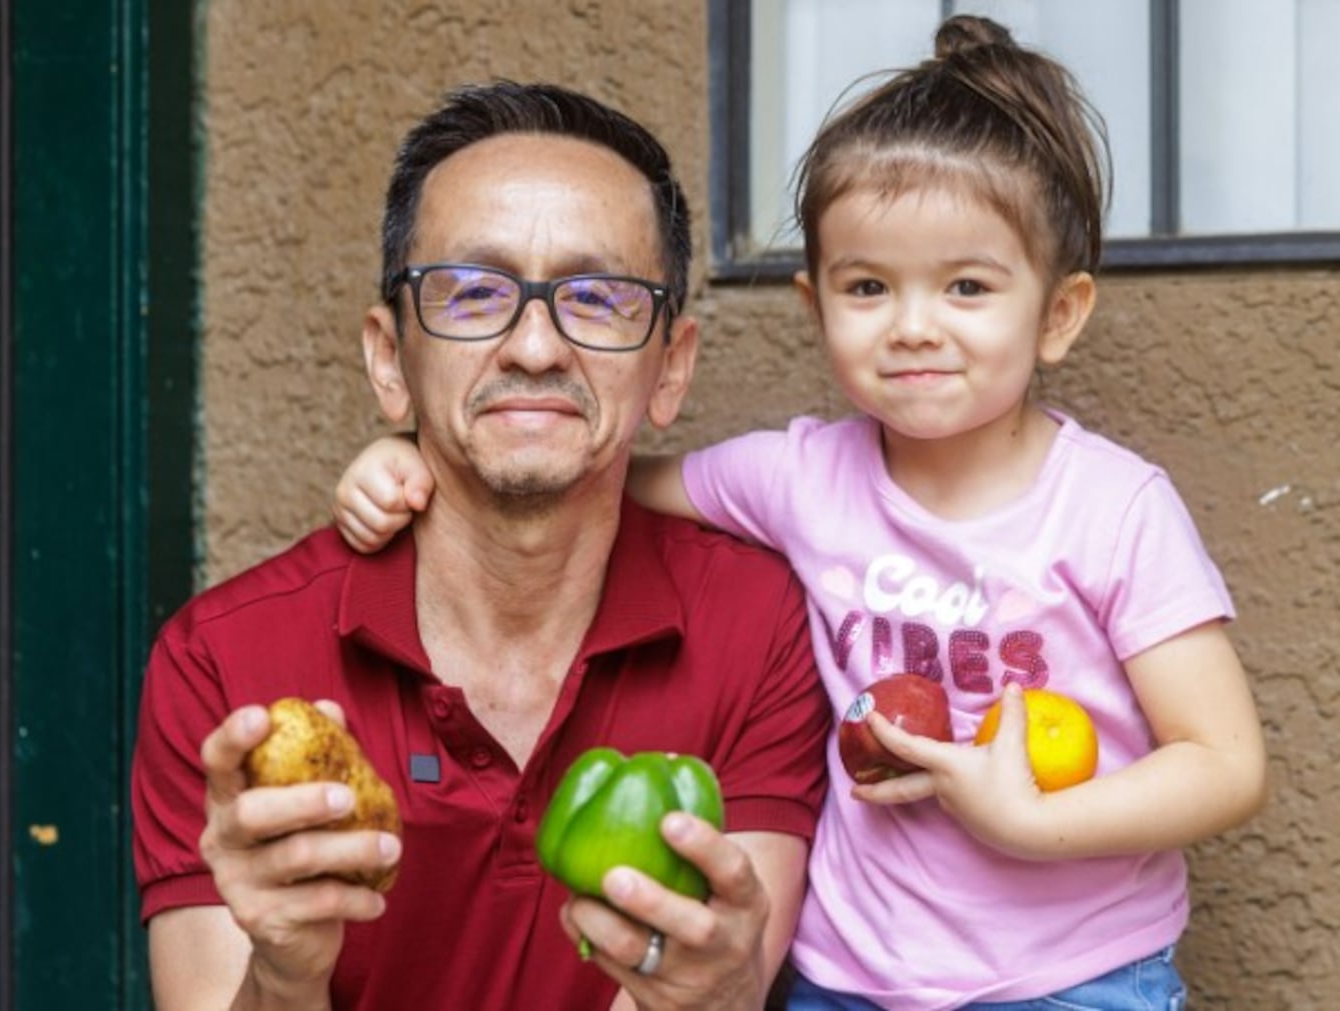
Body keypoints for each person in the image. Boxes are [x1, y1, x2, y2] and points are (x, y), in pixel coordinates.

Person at [333, 16, 1270, 1011]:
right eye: (867, 286)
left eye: (966, 286)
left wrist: (1028, 824)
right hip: (844, 980)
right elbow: (596, 470)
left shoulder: (1113, 508)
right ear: (813, 304)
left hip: (1073, 978)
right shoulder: (798, 478)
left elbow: (1223, 765)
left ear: (1059, 314)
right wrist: (411, 457)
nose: (914, 325)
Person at [130, 80, 834, 1011]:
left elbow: (694, 984)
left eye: (597, 295)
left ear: (670, 367)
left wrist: (709, 994)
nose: (536, 346)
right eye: (470, 293)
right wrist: (285, 972)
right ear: (391, 361)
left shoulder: (758, 624)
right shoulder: (225, 664)